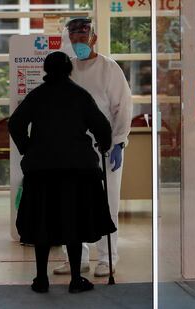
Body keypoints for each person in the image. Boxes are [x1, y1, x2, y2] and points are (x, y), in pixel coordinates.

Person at [8, 51, 116, 294]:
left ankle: (41, 279)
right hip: (77, 171)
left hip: (42, 171)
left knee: (42, 222)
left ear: (46, 70)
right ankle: (76, 279)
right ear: (70, 70)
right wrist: (103, 143)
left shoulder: (37, 96)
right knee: (74, 223)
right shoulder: (80, 95)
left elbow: (14, 123)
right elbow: (102, 126)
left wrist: (28, 147)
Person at [54, 18, 133, 277]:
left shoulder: (109, 68)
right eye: (74, 38)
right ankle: (76, 257)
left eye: (83, 36)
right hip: (74, 148)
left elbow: (123, 107)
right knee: (72, 202)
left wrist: (119, 141)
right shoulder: (68, 70)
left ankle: (108, 257)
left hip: (105, 147)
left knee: (107, 203)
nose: (79, 42)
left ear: (94, 38)